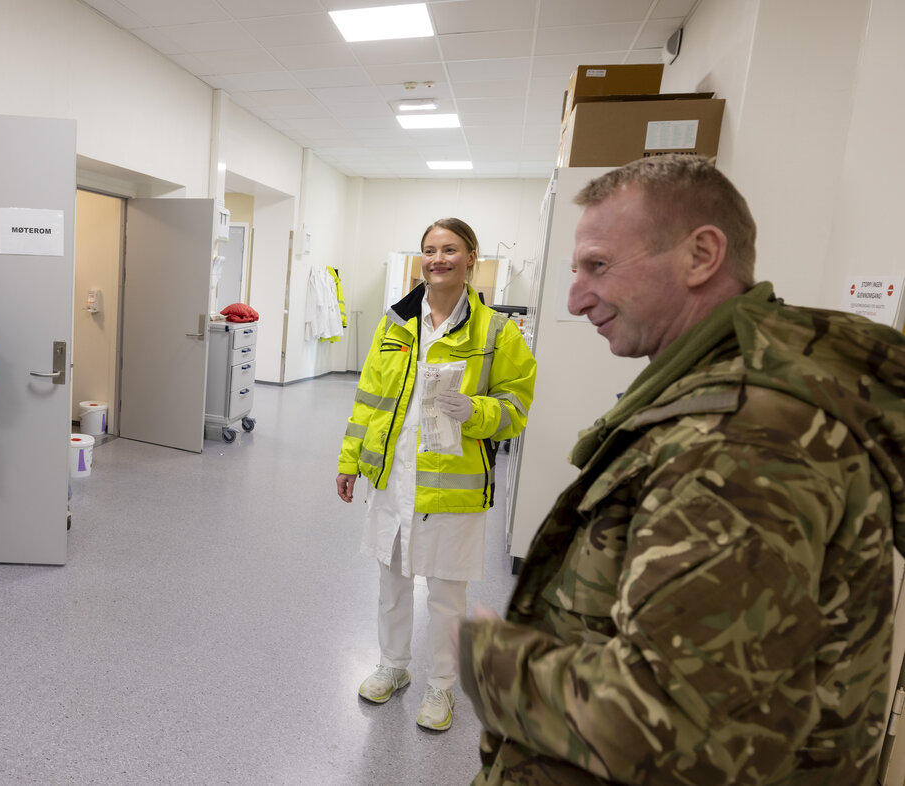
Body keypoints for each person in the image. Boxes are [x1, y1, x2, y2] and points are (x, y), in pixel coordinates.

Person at [457, 155, 905, 784]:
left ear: (701, 255)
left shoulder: (740, 443)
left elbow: (672, 727)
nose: (575, 297)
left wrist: (493, 663)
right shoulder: (719, 395)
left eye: (598, 266)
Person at [337, 218, 536, 731]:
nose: (438, 259)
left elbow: (517, 406)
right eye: (429, 250)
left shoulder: (496, 331)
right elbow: (368, 398)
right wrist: (350, 461)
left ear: (471, 257)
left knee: (447, 594)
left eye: (450, 250)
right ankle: (393, 666)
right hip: (394, 475)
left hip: (453, 481)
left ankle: (441, 687)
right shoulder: (395, 323)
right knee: (392, 580)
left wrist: (478, 411)